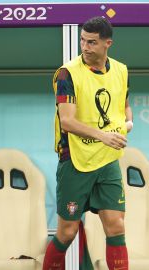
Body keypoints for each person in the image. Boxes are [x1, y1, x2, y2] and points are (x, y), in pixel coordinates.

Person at [43, 17, 133, 270]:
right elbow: (68, 122)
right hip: (75, 159)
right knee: (68, 232)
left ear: (108, 43)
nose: (85, 46)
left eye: (92, 42)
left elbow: (124, 106)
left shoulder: (121, 71)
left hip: (107, 160)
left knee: (116, 225)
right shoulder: (67, 73)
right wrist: (104, 135)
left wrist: (127, 123)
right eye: (83, 40)